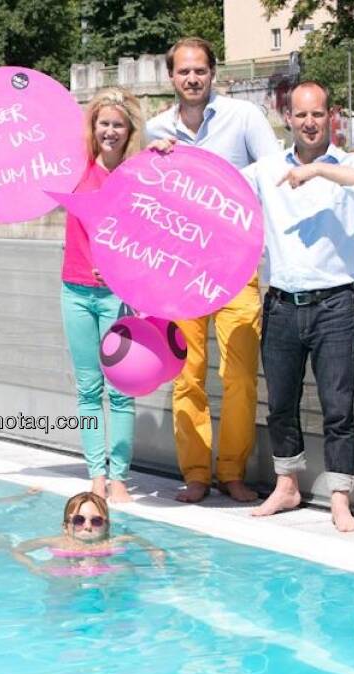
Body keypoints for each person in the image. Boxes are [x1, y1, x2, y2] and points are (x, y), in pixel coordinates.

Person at [242, 81, 354, 532]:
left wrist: (319, 172)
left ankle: (340, 497)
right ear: (288, 118)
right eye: (301, 115)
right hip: (282, 306)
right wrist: (166, 155)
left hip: (334, 307)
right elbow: (217, 186)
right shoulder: (266, 169)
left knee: (337, 407)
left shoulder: (351, 165)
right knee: (281, 404)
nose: (309, 123)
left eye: (317, 114)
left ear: (332, 116)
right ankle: (287, 486)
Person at [147, 37, 281, 504]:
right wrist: (158, 163)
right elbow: (144, 202)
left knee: (241, 376)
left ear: (212, 73)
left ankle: (233, 471)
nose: (192, 78)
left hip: (236, 264)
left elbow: (275, 173)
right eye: (183, 72)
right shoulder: (154, 130)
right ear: (171, 77)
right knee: (187, 375)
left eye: (199, 70)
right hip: (180, 270)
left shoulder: (244, 118)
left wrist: (218, 176)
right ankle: (197, 473)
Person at [61, 87, 146, 503]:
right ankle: (96, 474)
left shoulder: (138, 176)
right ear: (93, 127)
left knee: (120, 390)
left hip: (117, 296)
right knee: (88, 389)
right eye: (103, 123)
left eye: (118, 124)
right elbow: (18, 180)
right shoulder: (73, 169)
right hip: (74, 291)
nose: (110, 131)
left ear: (129, 130)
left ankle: (119, 478)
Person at [11, 492, 164, 577]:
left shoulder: (114, 541)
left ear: (107, 526)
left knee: (125, 570)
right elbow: (18, 550)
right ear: (65, 526)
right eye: (79, 520)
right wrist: (33, 567)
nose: (88, 527)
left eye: (96, 521)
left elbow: (139, 541)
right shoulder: (57, 542)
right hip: (64, 576)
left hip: (103, 575)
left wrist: (154, 551)